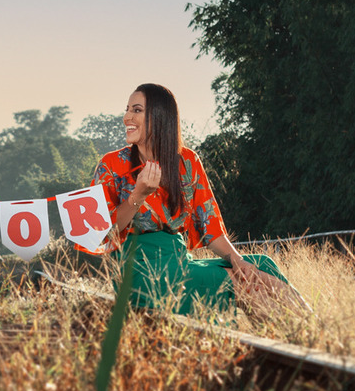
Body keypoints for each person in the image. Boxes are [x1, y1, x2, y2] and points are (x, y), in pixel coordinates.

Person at [91, 83, 308, 318]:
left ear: (159, 117)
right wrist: (137, 196)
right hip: (140, 271)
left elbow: (210, 228)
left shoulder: (187, 161)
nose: (126, 117)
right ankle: (308, 338)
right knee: (242, 283)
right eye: (127, 109)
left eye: (136, 110)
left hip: (179, 260)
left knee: (259, 266)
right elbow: (101, 233)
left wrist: (237, 260)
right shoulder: (111, 165)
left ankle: (299, 338)